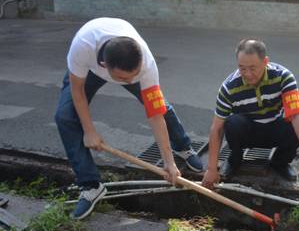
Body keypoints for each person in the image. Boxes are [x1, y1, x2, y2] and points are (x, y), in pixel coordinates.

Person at [55, 17, 203, 220]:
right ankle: (91, 186)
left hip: (125, 66)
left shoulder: (145, 66)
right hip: (89, 69)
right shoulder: (83, 48)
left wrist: (168, 163)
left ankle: (182, 146)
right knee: (64, 116)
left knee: (163, 108)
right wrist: (89, 131)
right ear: (105, 65)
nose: (131, 81)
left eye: (134, 75)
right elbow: (77, 90)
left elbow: (155, 114)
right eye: (125, 79)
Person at [202, 38, 299, 188]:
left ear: (265, 61)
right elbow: (216, 129)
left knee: (294, 125)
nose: (248, 74)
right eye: (242, 68)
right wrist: (211, 169)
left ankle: (279, 162)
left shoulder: (283, 77)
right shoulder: (228, 87)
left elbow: (297, 114)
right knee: (231, 123)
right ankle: (235, 160)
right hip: (248, 132)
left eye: (252, 68)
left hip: (275, 127)